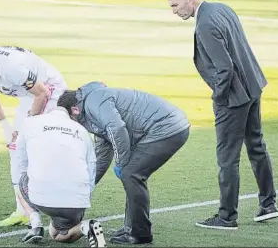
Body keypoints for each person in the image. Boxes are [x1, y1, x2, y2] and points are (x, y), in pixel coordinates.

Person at [167, 0, 278, 230]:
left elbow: (224, 67)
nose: (174, 11)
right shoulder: (222, 8)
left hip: (233, 97)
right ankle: (268, 204)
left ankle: (227, 216)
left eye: (175, 5)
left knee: (227, 158)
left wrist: (218, 97)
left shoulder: (205, 24)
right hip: (253, 86)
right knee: (257, 146)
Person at [57, 81, 191, 245]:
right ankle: (131, 227)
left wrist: (121, 163)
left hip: (167, 127)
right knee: (130, 173)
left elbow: (117, 129)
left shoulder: (95, 101)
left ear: (74, 110)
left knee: (131, 174)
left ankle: (140, 233)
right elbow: (102, 154)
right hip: (163, 127)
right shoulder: (91, 113)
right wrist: (86, 186)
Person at [0, 46, 68, 227]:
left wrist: (26, 127)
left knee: (38, 149)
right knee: (16, 149)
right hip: (28, 95)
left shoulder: (12, 68)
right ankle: (24, 211)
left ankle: (60, 205)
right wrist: (6, 126)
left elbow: (42, 93)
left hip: (49, 90)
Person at [13, 106, 106, 247]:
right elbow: (91, 167)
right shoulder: (82, 130)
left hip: (42, 196)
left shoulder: (30, 122)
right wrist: (85, 196)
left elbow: (21, 159)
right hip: (76, 200)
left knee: (20, 180)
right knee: (59, 234)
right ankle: (86, 226)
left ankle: (35, 225)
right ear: (70, 115)